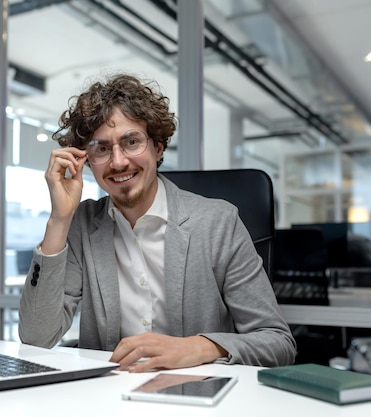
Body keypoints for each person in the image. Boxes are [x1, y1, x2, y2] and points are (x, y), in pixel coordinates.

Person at [19, 73, 296, 372]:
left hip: (197, 396)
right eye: (101, 149)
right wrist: (59, 220)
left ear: (158, 147)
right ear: (86, 161)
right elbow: (36, 337)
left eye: (132, 142)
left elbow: (277, 343)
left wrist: (198, 347)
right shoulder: (82, 224)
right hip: (107, 398)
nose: (119, 162)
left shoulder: (218, 223)